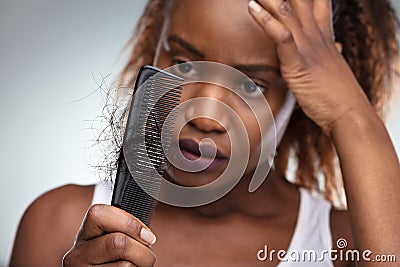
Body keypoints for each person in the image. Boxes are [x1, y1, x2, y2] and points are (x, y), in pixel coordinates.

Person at [9, 0, 400, 266]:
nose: (206, 117)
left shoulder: (343, 245)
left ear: (304, 97)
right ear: (153, 52)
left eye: (251, 85)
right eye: (182, 62)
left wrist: (350, 116)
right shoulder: (57, 225)